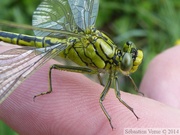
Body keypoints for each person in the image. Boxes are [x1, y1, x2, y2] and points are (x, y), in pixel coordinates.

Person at [0, 43, 180, 135]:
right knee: (54, 67)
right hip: (66, 45)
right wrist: (128, 116)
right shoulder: (111, 64)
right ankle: (48, 90)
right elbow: (114, 98)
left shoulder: (110, 65)